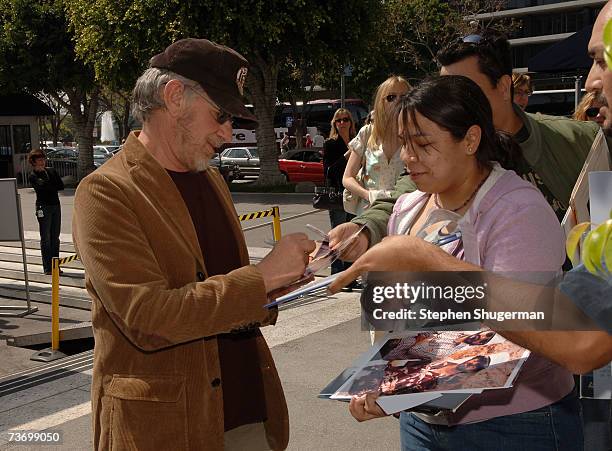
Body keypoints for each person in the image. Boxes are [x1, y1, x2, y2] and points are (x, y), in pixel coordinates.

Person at [72, 38, 315, 451]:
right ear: (174, 97)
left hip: (245, 417)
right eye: (220, 115)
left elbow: (220, 288)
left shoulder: (211, 179)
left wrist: (276, 288)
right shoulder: (105, 192)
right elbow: (147, 318)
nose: (227, 133)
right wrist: (260, 278)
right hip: (163, 431)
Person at [331, 76, 582, 450]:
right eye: (404, 144)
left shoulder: (517, 210)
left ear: (470, 140)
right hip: (422, 419)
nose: (408, 158)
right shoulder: (408, 209)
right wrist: (382, 378)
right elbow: (392, 318)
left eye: (423, 144)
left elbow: (515, 336)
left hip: (515, 423)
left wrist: (401, 391)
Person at [342, 76, 410, 216]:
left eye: (404, 97)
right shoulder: (367, 133)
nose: (398, 101)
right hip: (369, 211)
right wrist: (368, 195)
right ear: (380, 103)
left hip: (404, 212)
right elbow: (347, 178)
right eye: (391, 97)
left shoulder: (415, 135)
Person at [323, 108, 356, 276]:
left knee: (352, 236)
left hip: (355, 194)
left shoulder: (357, 141)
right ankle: (337, 273)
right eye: (339, 120)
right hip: (337, 194)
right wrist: (348, 154)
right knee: (338, 234)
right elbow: (330, 171)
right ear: (334, 124)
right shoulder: (330, 143)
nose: (342, 123)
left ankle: (350, 275)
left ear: (351, 122)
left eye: (345, 119)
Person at [28, 148, 64, 275]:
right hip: (43, 207)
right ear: (33, 161)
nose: (42, 162)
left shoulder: (51, 171)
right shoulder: (33, 176)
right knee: (46, 238)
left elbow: (60, 186)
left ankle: (56, 266)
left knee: (55, 237)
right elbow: (42, 189)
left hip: (55, 205)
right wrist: (49, 185)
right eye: (39, 160)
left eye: (43, 159)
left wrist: (48, 184)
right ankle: (48, 267)